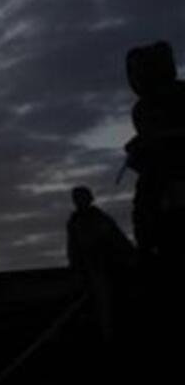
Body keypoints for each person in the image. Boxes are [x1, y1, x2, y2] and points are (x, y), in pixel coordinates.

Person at [123, 41, 185, 273]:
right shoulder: (141, 108)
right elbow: (148, 139)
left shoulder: (180, 94)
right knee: (145, 211)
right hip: (158, 176)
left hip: (175, 169)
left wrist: (163, 138)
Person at [66, 186, 136, 340]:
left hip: (109, 267)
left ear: (89, 199)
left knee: (113, 305)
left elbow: (119, 240)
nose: (79, 201)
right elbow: (73, 248)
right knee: (101, 307)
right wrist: (76, 269)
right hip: (91, 270)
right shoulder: (74, 222)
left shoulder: (101, 218)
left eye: (82, 197)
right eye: (76, 198)